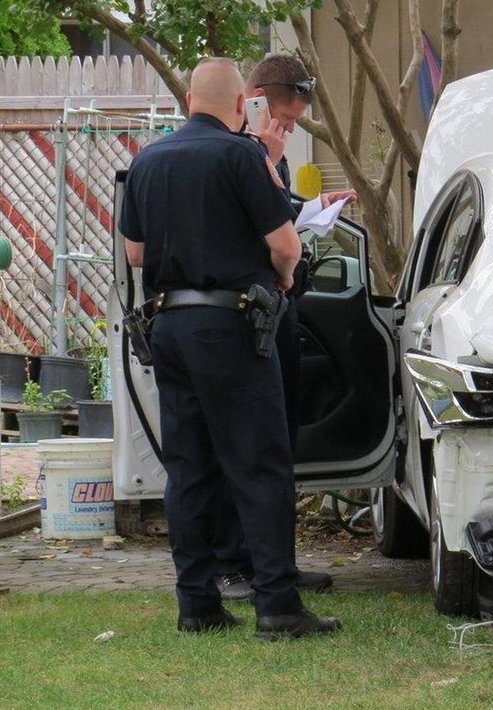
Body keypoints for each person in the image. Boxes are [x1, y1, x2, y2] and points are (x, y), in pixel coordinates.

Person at [120, 57, 340, 639]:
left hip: (169, 327)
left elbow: (136, 254)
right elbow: (287, 246)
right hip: (234, 327)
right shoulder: (241, 155)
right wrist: (284, 280)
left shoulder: (148, 160)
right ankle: (278, 606)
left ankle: (196, 603)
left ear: (189, 98)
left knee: (189, 468)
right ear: (243, 104)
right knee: (259, 464)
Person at [211, 53, 355, 602]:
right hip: (240, 312)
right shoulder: (233, 152)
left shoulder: (265, 155)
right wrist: (265, 161)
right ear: (255, 99)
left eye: (295, 123)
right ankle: (234, 562)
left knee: (277, 441)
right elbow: (245, 228)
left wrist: (313, 206)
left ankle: (274, 563)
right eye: (285, 119)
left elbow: (275, 214)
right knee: (241, 444)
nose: (289, 131)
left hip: (277, 311)